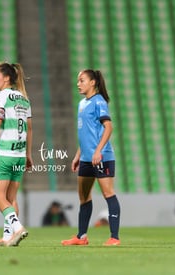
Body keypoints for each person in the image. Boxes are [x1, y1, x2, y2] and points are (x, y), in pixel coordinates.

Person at [61, 69, 121, 246]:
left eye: (82, 80)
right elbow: (86, 134)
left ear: (93, 82)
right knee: (84, 197)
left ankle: (114, 237)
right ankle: (81, 237)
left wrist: (98, 151)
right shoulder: (82, 104)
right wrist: (78, 155)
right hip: (86, 158)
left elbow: (108, 127)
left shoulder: (99, 102)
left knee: (108, 194)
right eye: (78, 80)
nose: (78, 83)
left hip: (101, 157)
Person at [0, 61, 32, 247]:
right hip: (19, 154)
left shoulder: (0, 96)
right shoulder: (24, 99)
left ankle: (17, 228)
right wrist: (28, 155)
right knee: (11, 199)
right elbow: (30, 128)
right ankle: (8, 237)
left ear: (7, 78)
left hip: (4, 152)